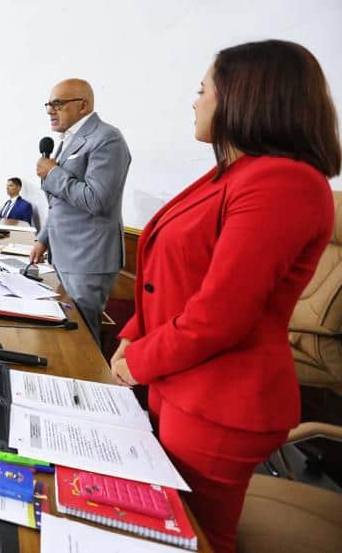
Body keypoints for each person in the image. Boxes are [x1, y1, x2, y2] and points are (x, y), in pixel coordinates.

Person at [109, 41, 340, 552]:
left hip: (222, 400)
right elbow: (167, 279)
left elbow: (220, 316)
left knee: (195, 537)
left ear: (245, 96)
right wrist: (132, 337)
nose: (195, 101)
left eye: (203, 89)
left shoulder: (284, 183)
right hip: (183, 383)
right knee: (165, 524)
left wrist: (139, 360)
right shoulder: (234, 174)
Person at [30, 78, 131, 344]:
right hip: (64, 254)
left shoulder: (107, 139)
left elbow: (97, 200)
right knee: (69, 330)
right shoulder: (67, 141)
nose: (51, 110)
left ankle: (90, 384)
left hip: (88, 257)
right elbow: (59, 204)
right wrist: (43, 239)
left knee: (83, 338)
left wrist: (53, 173)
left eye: (58, 104)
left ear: (83, 105)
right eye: (49, 105)